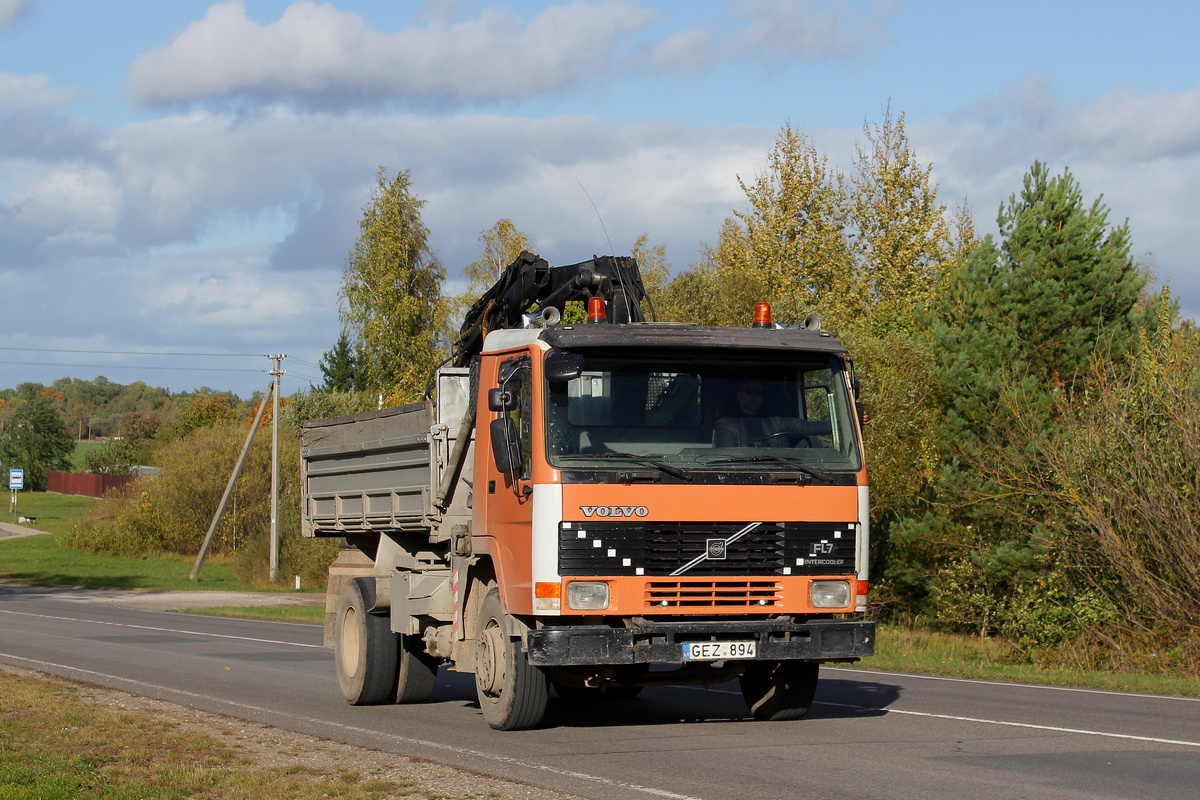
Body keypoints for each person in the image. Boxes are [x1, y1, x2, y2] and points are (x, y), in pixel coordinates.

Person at [713, 379, 815, 448]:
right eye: (750, 391)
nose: (755, 396)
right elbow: (727, 458)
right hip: (747, 475)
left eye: (759, 393)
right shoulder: (727, 424)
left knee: (813, 441)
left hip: (783, 472)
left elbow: (808, 427)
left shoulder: (775, 422)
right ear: (739, 395)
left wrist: (831, 422)